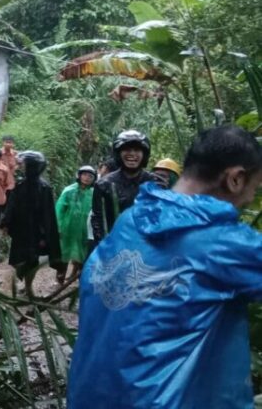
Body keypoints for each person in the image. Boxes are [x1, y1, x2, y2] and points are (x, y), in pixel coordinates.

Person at [67, 125, 262, 409]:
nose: (249, 199)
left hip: (92, 397)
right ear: (235, 179)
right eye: (254, 188)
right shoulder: (225, 244)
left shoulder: (130, 220)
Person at [4, 151, 63, 292]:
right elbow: (11, 206)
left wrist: (44, 235)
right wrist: (6, 223)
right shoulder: (20, 185)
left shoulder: (44, 188)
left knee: (32, 261)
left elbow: (47, 215)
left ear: (32, 166)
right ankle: (22, 279)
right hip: (20, 230)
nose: (21, 167)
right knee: (18, 260)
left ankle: (28, 286)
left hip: (36, 232)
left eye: (24, 165)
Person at [90, 130, 157, 245]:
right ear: (118, 153)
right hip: (114, 247)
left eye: (137, 150)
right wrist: (104, 246)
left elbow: (160, 216)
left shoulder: (153, 183)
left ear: (144, 154)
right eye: (127, 149)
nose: (132, 154)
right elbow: (98, 220)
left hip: (147, 247)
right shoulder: (103, 185)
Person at [54, 165, 96, 284]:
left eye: (90, 176)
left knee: (82, 252)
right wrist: (58, 226)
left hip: (85, 228)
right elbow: (59, 209)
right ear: (79, 175)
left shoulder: (94, 193)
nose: (87, 178)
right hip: (68, 227)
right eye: (84, 175)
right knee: (64, 253)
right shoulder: (69, 190)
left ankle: (76, 276)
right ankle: (60, 278)